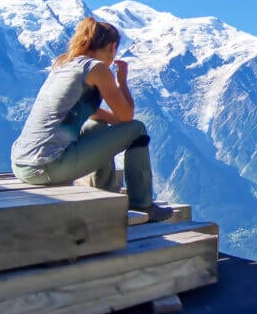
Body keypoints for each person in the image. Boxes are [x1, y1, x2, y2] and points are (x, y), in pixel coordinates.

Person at [11, 16, 174, 222]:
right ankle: (142, 205)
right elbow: (127, 118)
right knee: (138, 129)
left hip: (22, 165)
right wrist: (122, 82)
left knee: (95, 124)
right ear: (113, 47)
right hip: (47, 166)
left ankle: (104, 194)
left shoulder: (65, 65)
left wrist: (115, 121)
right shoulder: (96, 69)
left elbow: (105, 117)